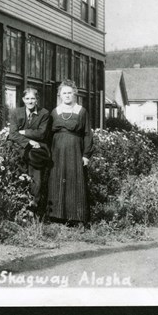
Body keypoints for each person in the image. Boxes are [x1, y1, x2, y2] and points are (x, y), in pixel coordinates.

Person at [47, 79, 93, 225]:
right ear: (60, 95)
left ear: (75, 94)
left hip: (75, 151)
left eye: (69, 93)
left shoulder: (81, 111)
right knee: (57, 179)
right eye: (64, 93)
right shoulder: (55, 112)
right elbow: (48, 135)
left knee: (75, 180)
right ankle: (56, 216)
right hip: (57, 151)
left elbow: (87, 134)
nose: (67, 95)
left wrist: (86, 155)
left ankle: (76, 217)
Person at [7, 88, 50, 213]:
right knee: (17, 175)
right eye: (27, 99)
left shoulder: (44, 113)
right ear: (23, 100)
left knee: (36, 178)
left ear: (37, 100)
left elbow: (41, 134)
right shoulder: (16, 113)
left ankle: (34, 207)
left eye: (33, 99)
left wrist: (24, 131)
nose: (30, 101)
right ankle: (19, 207)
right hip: (19, 148)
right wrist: (28, 141)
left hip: (37, 151)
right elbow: (12, 134)